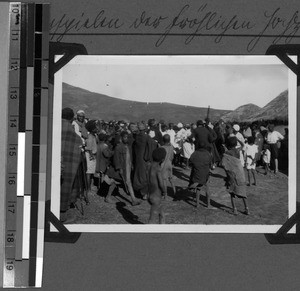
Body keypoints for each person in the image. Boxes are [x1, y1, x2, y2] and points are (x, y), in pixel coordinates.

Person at [60, 108, 83, 223]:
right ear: (72, 118)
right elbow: (78, 158)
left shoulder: (52, 129)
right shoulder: (76, 139)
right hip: (66, 167)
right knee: (66, 183)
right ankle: (62, 213)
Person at [107, 131, 141, 206]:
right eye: (125, 137)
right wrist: (120, 168)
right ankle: (133, 199)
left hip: (127, 167)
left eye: (127, 137)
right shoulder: (118, 147)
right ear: (121, 138)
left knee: (121, 182)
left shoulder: (128, 146)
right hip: (123, 168)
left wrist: (131, 164)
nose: (126, 139)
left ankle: (133, 199)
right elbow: (116, 159)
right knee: (120, 182)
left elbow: (129, 157)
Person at [221, 137, 249, 216]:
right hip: (240, 174)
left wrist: (224, 150)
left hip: (232, 175)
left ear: (227, 144)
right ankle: (247, 209)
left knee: (232, 192)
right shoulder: (237, 151)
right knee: (243, 193)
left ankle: (235, 209)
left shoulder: (227, 153)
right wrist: (238, 139)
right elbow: (243, 145)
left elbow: (223, 163)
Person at [189, 142, 215, 209]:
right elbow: (211, 165)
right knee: (207, 189)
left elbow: (190, 162)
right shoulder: (208, 154)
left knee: (198, 188)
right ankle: (208, 204)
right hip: (206, 174)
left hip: (197, 174)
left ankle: (197, 204)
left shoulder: (194, 153)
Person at [148, 147, 167, 224]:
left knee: (162, 214)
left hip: (150, 194)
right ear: (162, 159)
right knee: (152, 219)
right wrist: (164, 191)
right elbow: (161, 183)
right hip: (156, 197)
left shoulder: (149, 165)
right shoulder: (158, 169)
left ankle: (162, 229)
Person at [84, 120, 98, 195]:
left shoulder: (94, 136)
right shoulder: (90, 137)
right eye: (96, 127)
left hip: (92, 155)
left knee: (91, 171)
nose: (97, 129)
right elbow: (89, 148)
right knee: (89, 172)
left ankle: (90, 186)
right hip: (90, 156)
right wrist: (91, 156)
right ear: (92, 129)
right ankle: (88, 189)